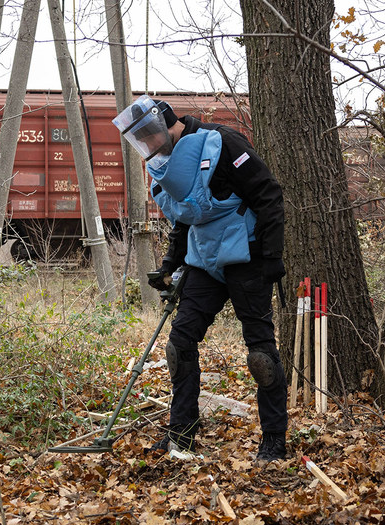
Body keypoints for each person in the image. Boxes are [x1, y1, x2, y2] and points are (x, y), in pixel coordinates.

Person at [114, 96, 288, 462]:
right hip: (205, 261)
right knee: (179, 343)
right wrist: (168, 265)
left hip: (247, 257)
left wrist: (271, 256)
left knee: (260, 352)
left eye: (149, 137)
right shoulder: (171, 164)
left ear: (164, 125)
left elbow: (269, 194)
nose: (147, 146)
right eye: (141, 141)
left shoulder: (222, 143)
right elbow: (186, 219)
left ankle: (274, 440)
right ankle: (182, 433)